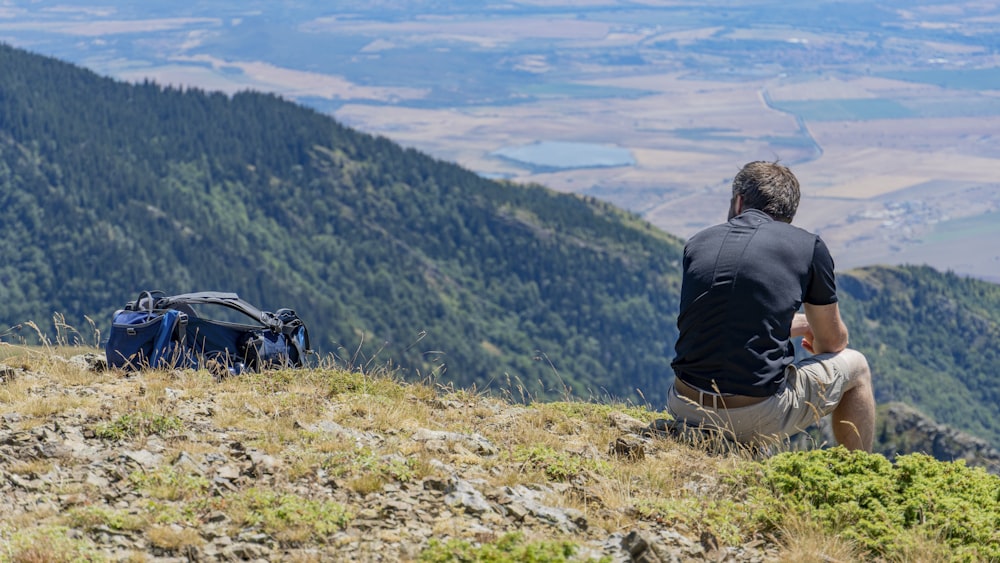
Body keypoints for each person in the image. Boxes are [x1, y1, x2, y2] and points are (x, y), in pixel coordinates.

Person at [667, 161, 875, 451]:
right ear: (788, 213)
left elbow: (726, 320)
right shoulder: (808, 247)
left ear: (738, 202)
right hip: (754, 416)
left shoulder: (698, 243)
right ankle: (861, 472)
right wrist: (816, 329)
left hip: (683, 405)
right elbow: (832, 342)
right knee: (857, 366)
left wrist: (801, 323)